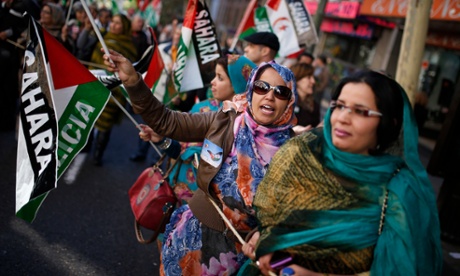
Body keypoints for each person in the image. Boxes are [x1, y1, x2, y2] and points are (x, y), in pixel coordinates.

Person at [103, 48, 298, 275]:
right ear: (251, 90)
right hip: (189, 237)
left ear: (289, 102)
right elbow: (166, 121)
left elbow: (294, 215)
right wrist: (133, 82)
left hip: (237, 258)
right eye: (262, 87)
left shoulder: (294, 152)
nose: (270, 96)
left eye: (281, 92)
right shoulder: (226, 119)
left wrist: (265, 236)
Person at [241, 70, 442, 276]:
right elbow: (272, 220)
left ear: (389, 123)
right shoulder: (302, 152)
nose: (343, 118)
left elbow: (401, 269)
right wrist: (262, 238)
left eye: (361, 111)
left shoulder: (399, 188)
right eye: (339, 106)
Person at [138, 55, 257, 204]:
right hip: (177, 196)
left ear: (237, 84)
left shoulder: (246, 126)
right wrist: (161, 140)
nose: (212, 82)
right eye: (214, 75)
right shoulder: (201, 109)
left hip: (211, 206)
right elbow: (179, 151)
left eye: (220, 78)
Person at [90, 13, 137, 165]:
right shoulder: (102, 39)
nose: (114, 25)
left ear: (124, 27)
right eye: (113, 22)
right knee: (91, 117)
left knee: (105, 124)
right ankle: (86, 146)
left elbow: (130, 69)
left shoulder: (129, 46)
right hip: (97, 85)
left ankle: (98, 153)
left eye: (118, 23)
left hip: (115, 92)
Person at [290, 63, 319, 135]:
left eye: (313, 77)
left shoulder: (314, 106)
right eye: (309, 77)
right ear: (298, 80)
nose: (313, 81)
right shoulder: (285, 101)